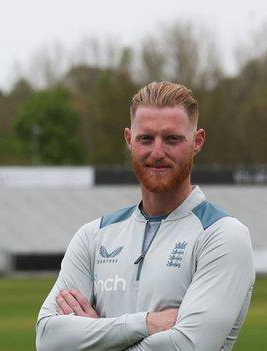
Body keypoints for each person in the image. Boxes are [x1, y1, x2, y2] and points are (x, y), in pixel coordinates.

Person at [35, 81, 255, 351]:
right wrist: (146, 323)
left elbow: (187, 347)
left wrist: (91, 337)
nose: (158, 152)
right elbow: (48, 339)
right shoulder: (93, 236)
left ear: (197, 142)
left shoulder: (222, 235)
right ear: (129, 140)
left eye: (172, 139)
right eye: (146, 139)